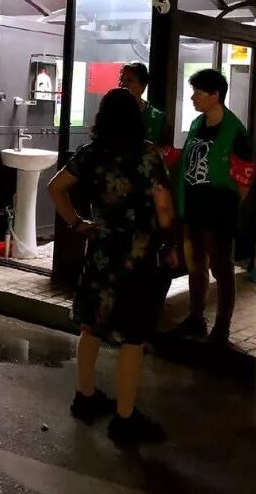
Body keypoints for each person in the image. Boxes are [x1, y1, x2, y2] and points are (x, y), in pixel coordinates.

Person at [47, 88, 177, 445]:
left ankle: (85, 396)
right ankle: (124, 417)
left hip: (101, 251)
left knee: (91, 325)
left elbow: (55, 187)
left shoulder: (91, 153)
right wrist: (169, 240)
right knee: (133, 336)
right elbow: (164, 207)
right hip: (138, 256)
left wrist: (77, 223)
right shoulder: (148, 155)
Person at [170, 68, 256, 346]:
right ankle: (196, 317)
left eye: (198, 92)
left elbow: (244, 179)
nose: (193, 98)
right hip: (193, 206)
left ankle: (222, 326)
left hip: (218, 210)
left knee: (221, 267)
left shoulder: (235, 131)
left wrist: (228, 205)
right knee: (195, 265)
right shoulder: (197, 123)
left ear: (215, 95)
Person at [119, 62, 165, 146]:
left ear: (143, 86)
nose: (123, 85)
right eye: (121, 80)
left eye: (130, 80)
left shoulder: (157, 117)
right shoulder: (111, 112)